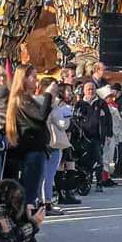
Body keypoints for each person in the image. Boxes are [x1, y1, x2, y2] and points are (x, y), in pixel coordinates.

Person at [5, 64, 53, 242]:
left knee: (29, 197)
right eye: (33, 77)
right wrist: (49, 95)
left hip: (34, 151)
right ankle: (27, 238)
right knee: (29, 197)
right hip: (31, 153)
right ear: (23, 79)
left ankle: (25, 237)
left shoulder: (25, 98)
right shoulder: (21, 99)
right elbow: (40, 117)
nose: (36, 80)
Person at [73, 81, 112, 192]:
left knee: (98, 160)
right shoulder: (79, 104)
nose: (91, 91)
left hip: (97, 136)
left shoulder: (101, 103)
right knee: (85, 160)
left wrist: (109, 134)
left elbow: (108, 119)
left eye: (92, 89)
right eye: (88, 89)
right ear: (84, 91)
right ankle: (87, 181)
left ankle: (99, 182)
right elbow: (75, 119)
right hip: (84, 137)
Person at [42, 80, 71, 214]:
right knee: (48, 176)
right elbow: (62, 124)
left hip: (48, 142)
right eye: (54, 91)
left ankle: (45, 202)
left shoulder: (43, 103)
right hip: (52, 143)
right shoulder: (53, 105)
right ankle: (46, 203)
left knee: (46, 176)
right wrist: (67, 115)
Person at [54, 82, 81, 205]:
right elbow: (66, 125)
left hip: (68, 140)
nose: (70, 93)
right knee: (64, 166)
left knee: (68, 166)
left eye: (70, 90)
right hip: (64, 139)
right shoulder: (62, 107)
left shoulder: (66, 106)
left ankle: (66, 193)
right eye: (67, 90)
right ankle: (63, 194)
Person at [99, 85, 122, 187]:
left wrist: (120, 132)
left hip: (113, 135)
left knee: (110, 157)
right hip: (106, 135)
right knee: (104, 157)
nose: (111, 98)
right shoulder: (102, 109)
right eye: (108, 97)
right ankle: (103, 178)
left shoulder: (113, 107)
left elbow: (119, 122)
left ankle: (108, 177)